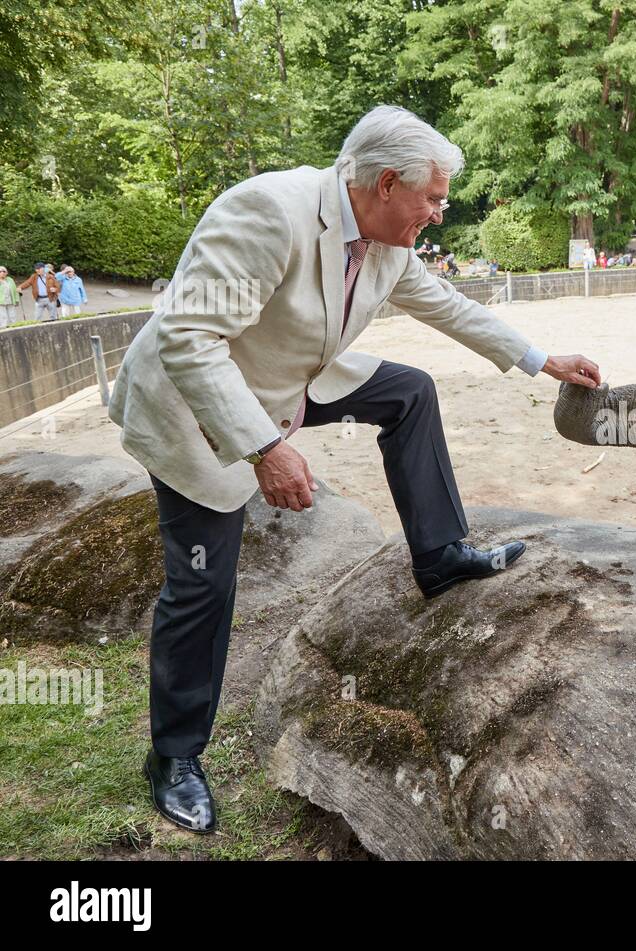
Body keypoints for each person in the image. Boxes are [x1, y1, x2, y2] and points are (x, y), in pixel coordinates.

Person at [107, 104, 602, 835]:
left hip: (285, 376)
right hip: (193, 402)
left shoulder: (384, 236)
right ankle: (174, 758)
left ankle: (439, 554)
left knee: (408, 392)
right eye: (432, 198)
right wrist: (264, 448)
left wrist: (538, 358)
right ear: (386, 183)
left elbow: (445, 303)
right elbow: (187, 339)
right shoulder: (267, 213)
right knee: (203, 581)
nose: (439, 212)